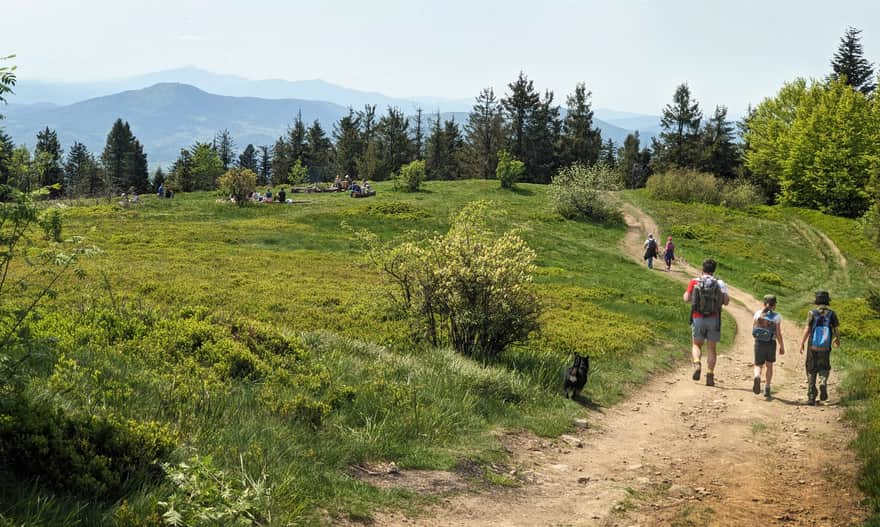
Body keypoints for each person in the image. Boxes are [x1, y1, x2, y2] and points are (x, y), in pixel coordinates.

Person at [683, 258, 730, 386]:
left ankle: (697, 362)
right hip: (714, 318)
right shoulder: (719, 283)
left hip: (697, 317)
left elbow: (686, 298)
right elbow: (726, 301)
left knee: (696, 344)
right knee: (711, 348)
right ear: (714, 270)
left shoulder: (695, 281)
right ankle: (710, 374)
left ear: (702, 268)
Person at [799, 290, 840, 405]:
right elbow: (836, 329)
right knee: (824, 367)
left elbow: (807, 329)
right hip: (825, 346)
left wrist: (802, 343)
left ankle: (811, 397)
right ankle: (823, 381)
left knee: (811, 368)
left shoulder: (812, 313)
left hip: (813, 345)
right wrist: (837, 339)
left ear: (816, 301)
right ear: (827, 301)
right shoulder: (832, 314)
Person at [752, 294, 785, 398]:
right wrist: (781, 346)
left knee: (758, 365)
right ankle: (767, 387)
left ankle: (757, 376)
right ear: (774, 305)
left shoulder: (758, 313)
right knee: (769, 365)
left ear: (764, 303)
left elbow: (754, 327)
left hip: (759, 342)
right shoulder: (777, 316)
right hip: (771, 343)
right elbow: (778, 333)